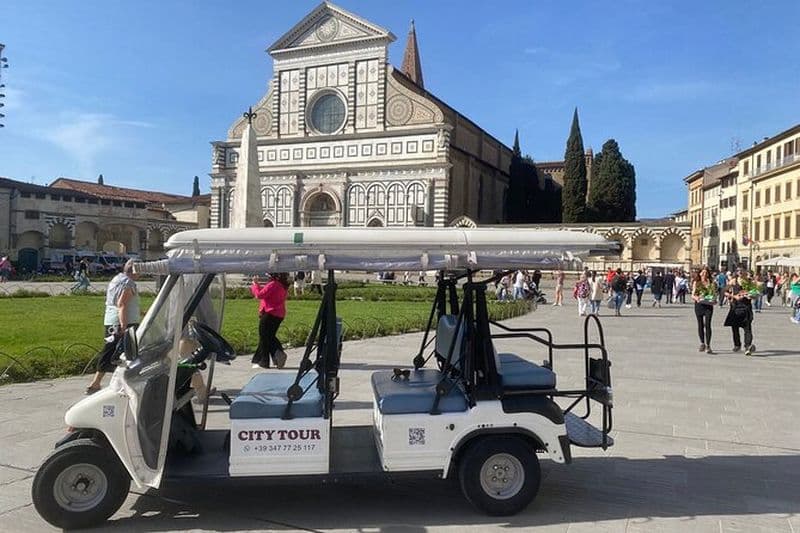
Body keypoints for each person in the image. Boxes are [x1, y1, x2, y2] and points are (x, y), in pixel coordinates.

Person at [86, 259, 140, 394]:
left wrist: (142, 312)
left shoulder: (116, 279)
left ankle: (96, 382)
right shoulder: (129, 283)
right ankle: (122, 384)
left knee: (109, 350)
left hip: (110, 320)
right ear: (135, 271)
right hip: (124, 321)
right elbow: (122, 304)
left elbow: (117, 302)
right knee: (127, 353)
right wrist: (123, 325)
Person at [251, 272, 290, 369]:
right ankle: (272, 357)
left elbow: (259, 295)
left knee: (265, 336)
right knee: (269, 336)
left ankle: (267, 359)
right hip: (279, 314)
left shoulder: (273, 284)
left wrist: (255, 285)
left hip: (270, 313)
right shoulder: (281, 285)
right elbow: (265, 293)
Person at [725, 271, 757, 355]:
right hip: (736, 307)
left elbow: (755, 295)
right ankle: (737, 344)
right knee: (735, 327)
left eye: (742, 272)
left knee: (747, 328)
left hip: (746, 307)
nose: (740, 273)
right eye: (739, 272)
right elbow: (724, 291)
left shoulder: (750, 282)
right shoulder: (733, 281)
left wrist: (751, 296)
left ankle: (748, 346)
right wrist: (733, 296)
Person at [692, 268, 717, 354]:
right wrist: (697, 298)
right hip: (699, 305)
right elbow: (693, 295)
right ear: (699, 274)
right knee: (700, 324)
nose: (704, 274)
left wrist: (714, 300)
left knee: (708, 324)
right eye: (702, 273)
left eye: (706, 273)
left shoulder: (712, 283)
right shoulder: (696, 283)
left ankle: (708, 345)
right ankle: (702, 343)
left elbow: (714, 294)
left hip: (708, 305)